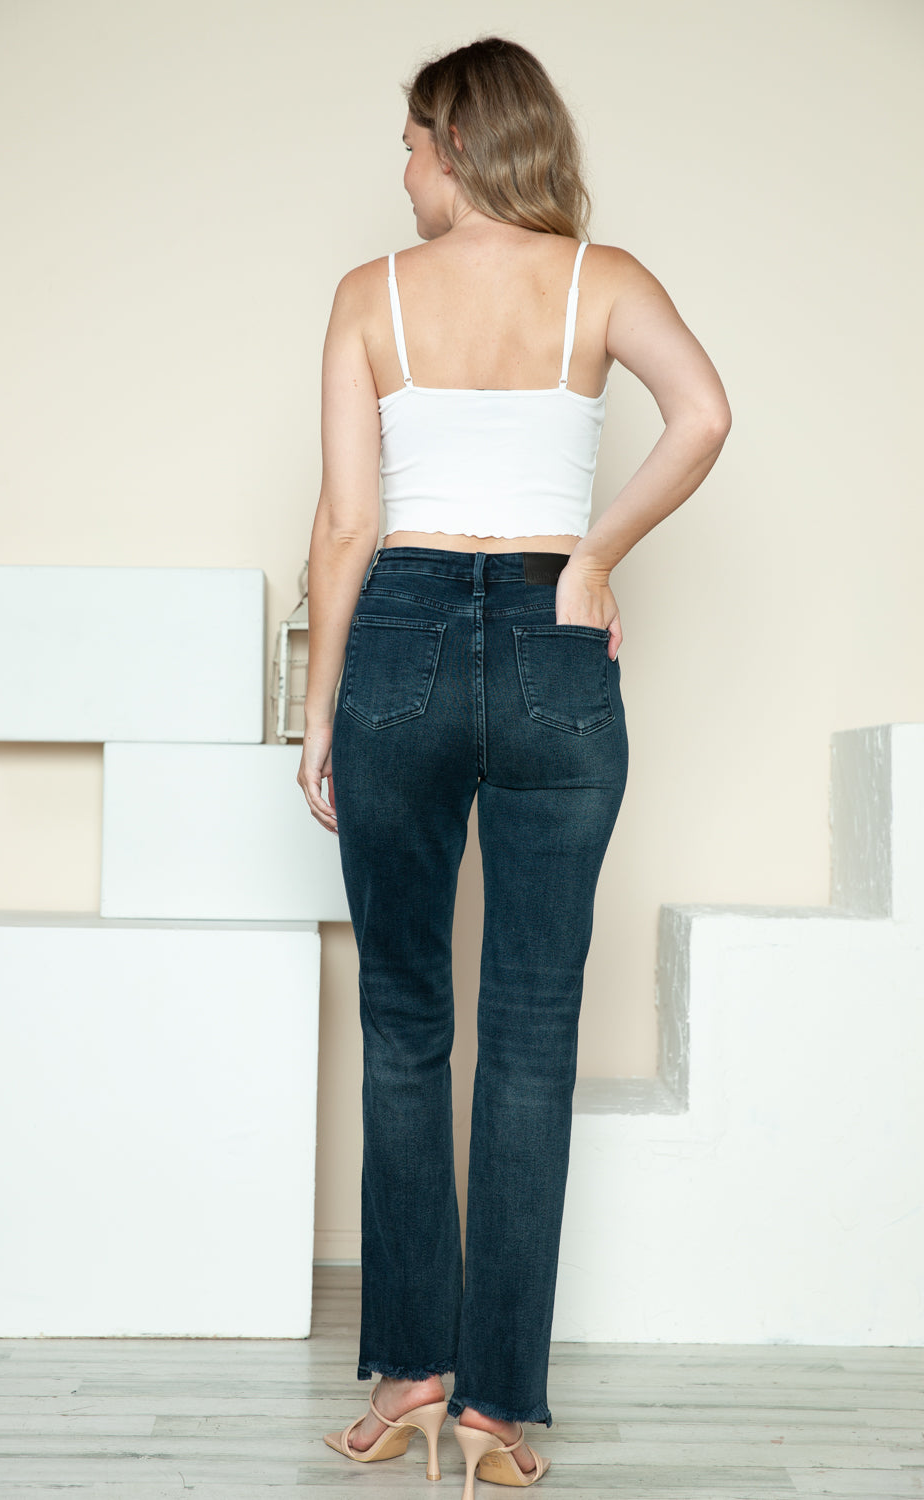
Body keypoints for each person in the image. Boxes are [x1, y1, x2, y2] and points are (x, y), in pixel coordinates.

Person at [298, 35, 731, 1498]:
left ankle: (411, 1373)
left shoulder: (372, 299)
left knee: (405, 1018)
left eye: (412, 140)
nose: (402, 166)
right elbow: (707, 416)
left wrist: (317, 709)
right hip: (558, 642)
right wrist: (594, 555)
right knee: (533, 1032)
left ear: (461, 143)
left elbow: (347, 530)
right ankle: (492, 1417)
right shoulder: (603, 281)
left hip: (405, 639)